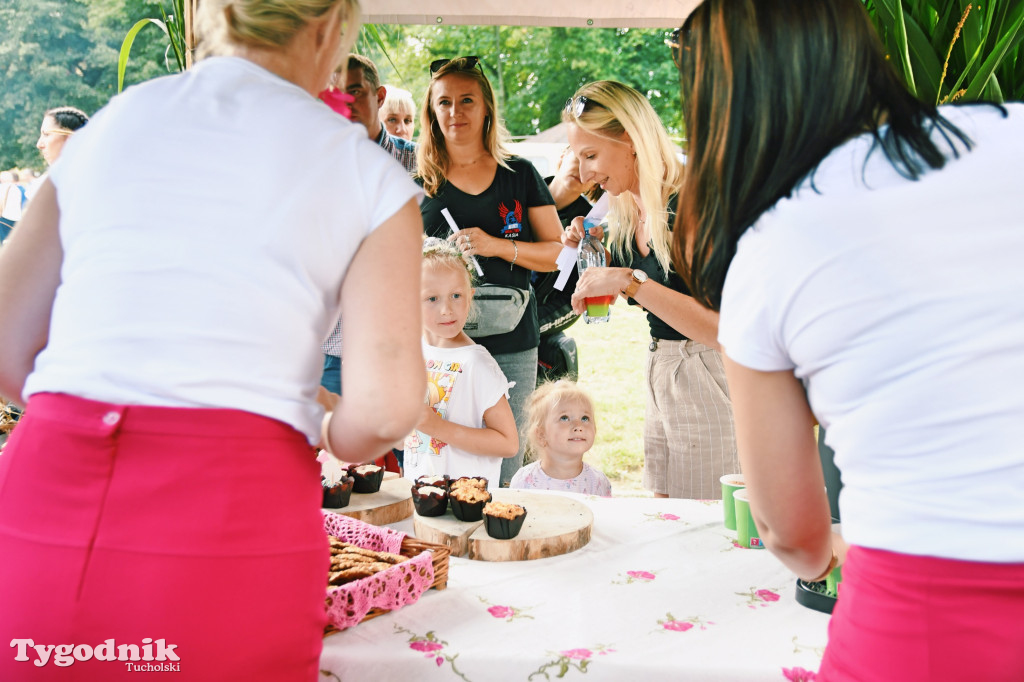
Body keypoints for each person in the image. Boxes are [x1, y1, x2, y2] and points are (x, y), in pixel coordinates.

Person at [0, 0, 425, 679]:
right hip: (236, 503)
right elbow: (384, 410)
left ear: (213, 16)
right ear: (327, 29)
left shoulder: (112, 125)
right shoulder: (366, 173)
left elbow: (4, 340)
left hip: (48, 488)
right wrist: (329, 430)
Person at [672, 2, 1024, 680]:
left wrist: (835, 550)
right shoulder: (1009, 132)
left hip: (919, 619)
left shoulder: (774, 248)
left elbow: (793, 535)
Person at [561, 79, 737, 500]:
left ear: (629, 140)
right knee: (663, 512)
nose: (583, 175)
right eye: (577, 158)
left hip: (709, 374)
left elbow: (722, 331)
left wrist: (628, 281)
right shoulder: (628, 206)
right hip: (663, 368)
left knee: (702, 526)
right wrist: (595, 253)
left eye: (591, 156)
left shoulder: (691, 204)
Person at [418, 55, 564, 487]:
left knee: (504, 462)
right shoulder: (420, 183)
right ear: (431, 112)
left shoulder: (519, 174)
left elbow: (557, 254)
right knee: (442, 457)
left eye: (467, 101)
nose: (455, 112)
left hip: (512, 339)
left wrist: (495, 245)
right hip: (441, 350)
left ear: (486, 110)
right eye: (444, 103)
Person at [319, 54, 418, 395]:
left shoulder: (418, 164)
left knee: (403, 449)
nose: (345, 102)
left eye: (355, 91)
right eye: (334, 94)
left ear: (379, 97)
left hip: (403, 350)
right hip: (331, 354)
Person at [403, 237, 519, 483]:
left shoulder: (477, 364)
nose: (446, 309)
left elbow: (508, 443)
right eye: (432, 299)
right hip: (421, 495)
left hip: (466, 504)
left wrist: (437, 427)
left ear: (470, 296)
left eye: (456, 295)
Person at [510, 379, 611, 496]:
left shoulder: (598, 483)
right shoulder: (524, 481)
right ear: (541, 434)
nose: (578, 426)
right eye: (564, 418)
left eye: (585, 418)